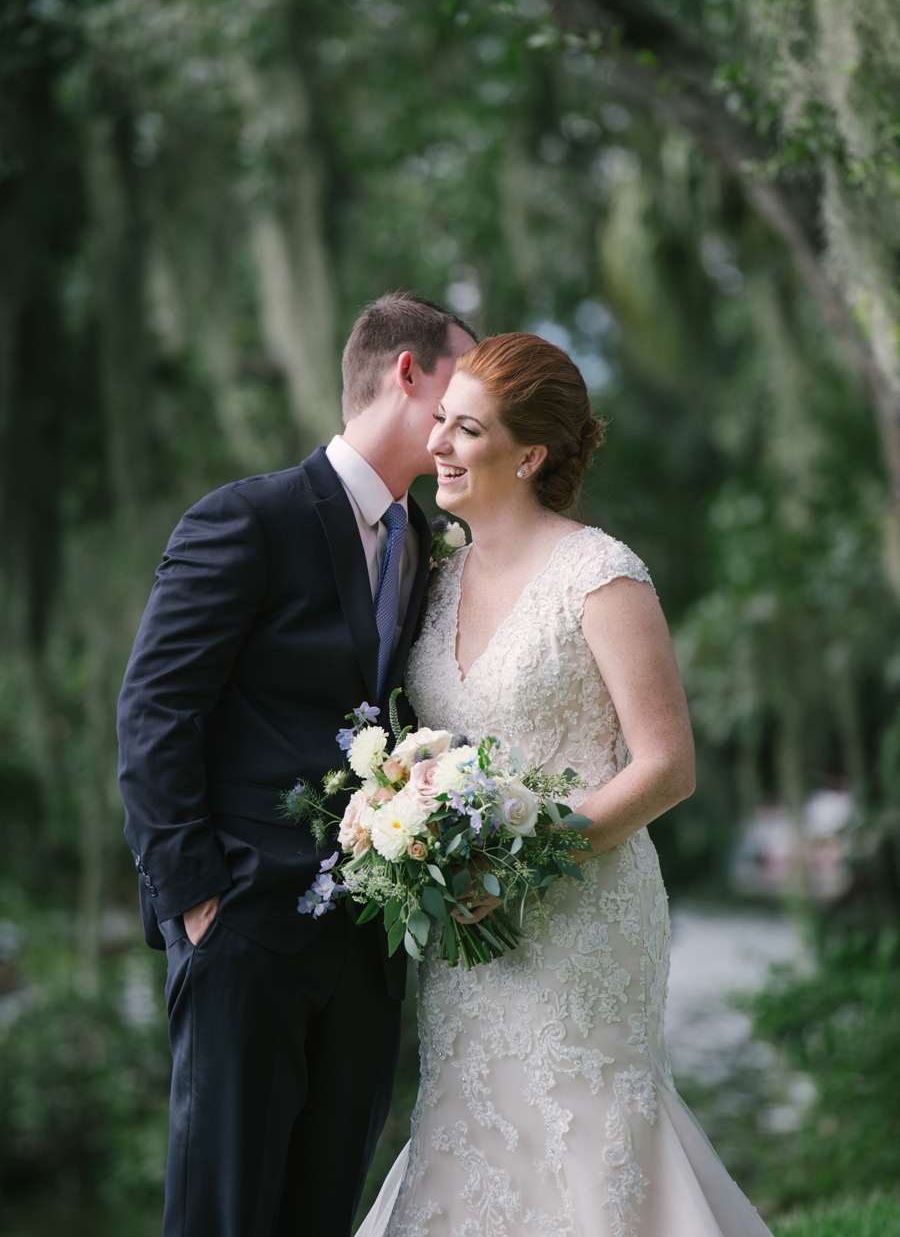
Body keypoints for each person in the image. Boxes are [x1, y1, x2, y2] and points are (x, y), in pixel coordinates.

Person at [357, 332, 772, 1237]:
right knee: (472, 1132)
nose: (437, 446)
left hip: (583, 917)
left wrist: (526, 862)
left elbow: (668, 765)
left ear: (530, 453)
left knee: (587, 1141)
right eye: (441, 424)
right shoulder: (438, 573)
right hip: (465, 931)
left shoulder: (601, 573)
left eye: (465, 430)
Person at [116, 293, 475, 1237]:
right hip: (242, 929)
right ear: (408, 373)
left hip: (365, 945)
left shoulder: (427, 547)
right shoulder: (248, 518)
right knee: (223, 1213)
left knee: (322, 1214)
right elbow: (155, 710)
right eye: (459, 383)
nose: (470, 410)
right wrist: (195, 896)